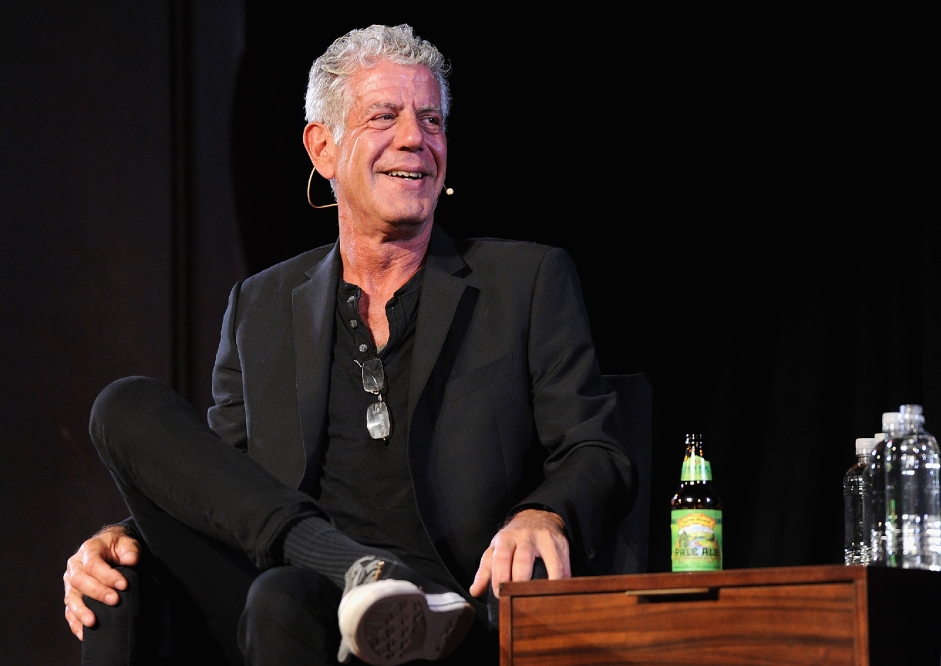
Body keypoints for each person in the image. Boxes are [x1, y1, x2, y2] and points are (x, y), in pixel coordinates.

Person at [63, 24, 635, 666]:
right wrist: (122, 537)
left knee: (282, 596)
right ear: (323, 148)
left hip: (448, 616)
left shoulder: (525, 282)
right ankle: (352, 566)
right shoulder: (259, 307)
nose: (415, 138)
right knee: (122, 407)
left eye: (431, 120)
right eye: (384, 116)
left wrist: (544, 512)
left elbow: (596, 451)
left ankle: (375, 582)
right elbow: (223, 492)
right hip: (284, 600)